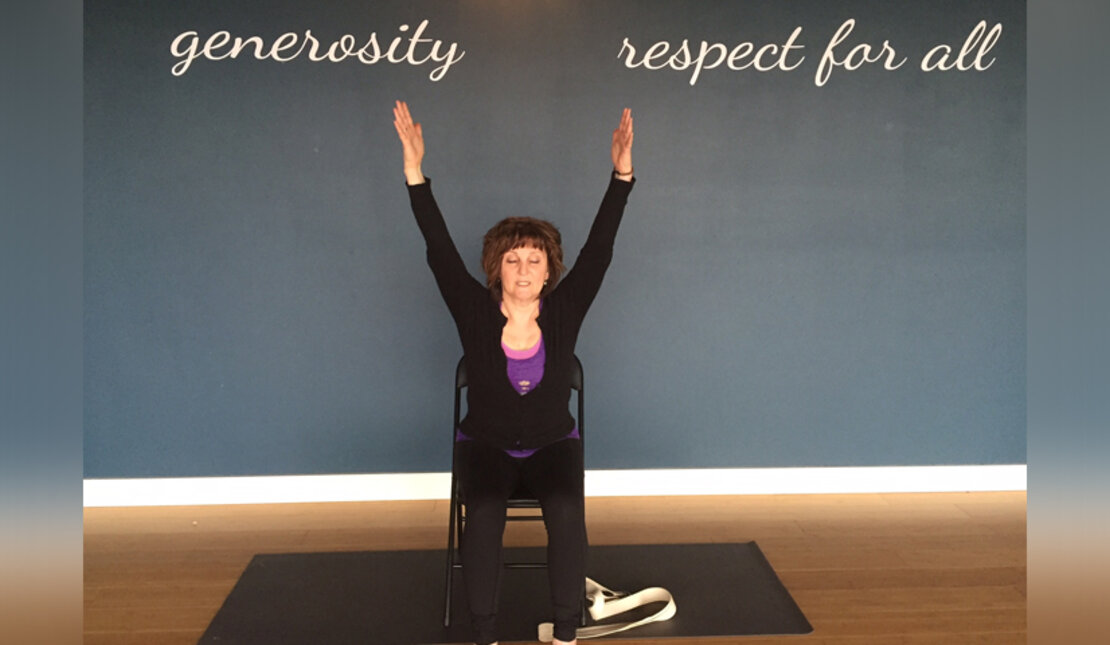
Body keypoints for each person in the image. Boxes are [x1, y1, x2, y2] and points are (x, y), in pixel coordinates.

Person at [393, 100, 634, 645]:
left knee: (569, 512)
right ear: (495, 266)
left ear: (550, 269)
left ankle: (567, 631)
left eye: (534, 259)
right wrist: (414, 173)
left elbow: (600, 251)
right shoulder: (473, 311)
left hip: (553, 444)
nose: (523, 269)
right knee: (480, 515)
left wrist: (621, 176)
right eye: (513, 259)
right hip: (486, 446)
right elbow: (437, 248)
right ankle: (485, 633)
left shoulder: (566, 309)